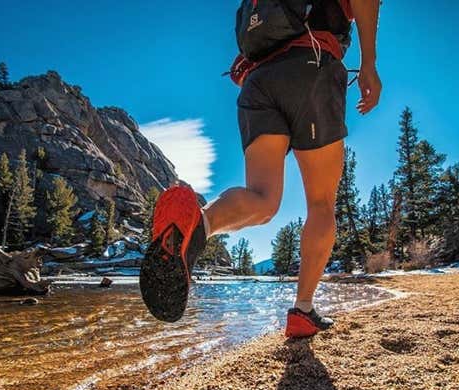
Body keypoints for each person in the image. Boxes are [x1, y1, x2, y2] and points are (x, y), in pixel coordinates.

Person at [140, 0, 381, 338]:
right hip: (310, 64)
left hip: (258, 82)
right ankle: (303, 311)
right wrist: (368, 63)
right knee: (321, 203)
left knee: (263, 199)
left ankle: (200, 224)